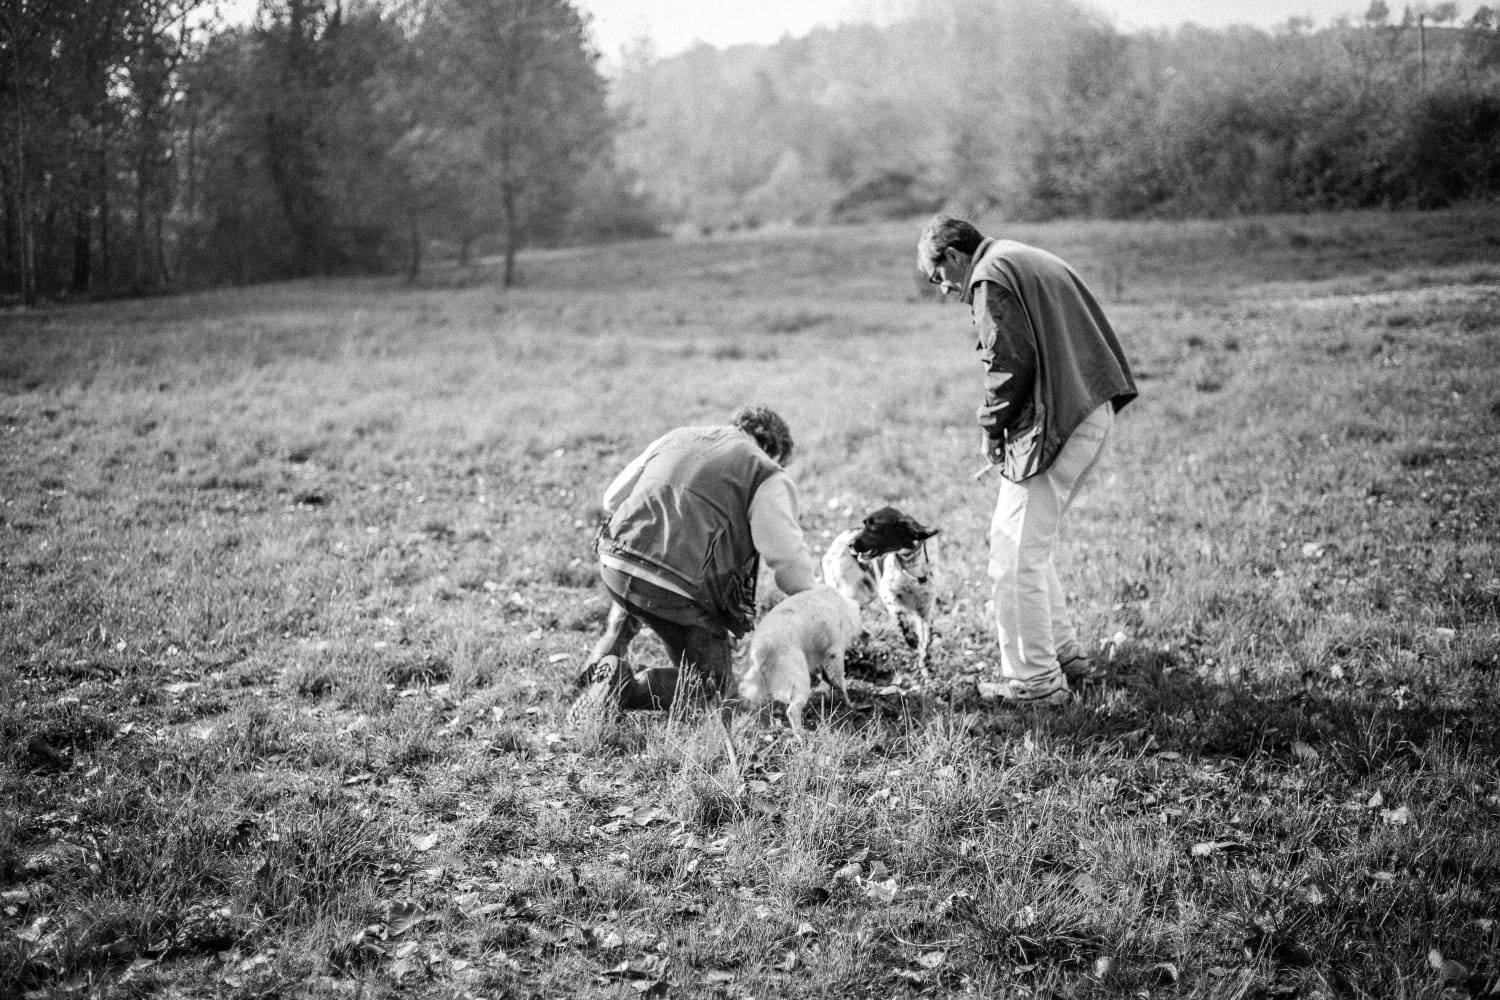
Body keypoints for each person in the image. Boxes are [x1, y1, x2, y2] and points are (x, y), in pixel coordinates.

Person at [916, 215, 1138, 705]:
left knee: (1011, 558)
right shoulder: (1021, 255)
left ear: (953, 255)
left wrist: (990, 426)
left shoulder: (989, 275)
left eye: (939, 278)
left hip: (1060, 418)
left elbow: (1009, 362)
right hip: (1089, 408)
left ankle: (1035, 684)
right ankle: (1063, 656)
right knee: (1026, 547)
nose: (944, 290)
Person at [569, 405, 817, 719]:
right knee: (716, 687)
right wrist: (813, 599)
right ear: (773, 448)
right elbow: (787, 559)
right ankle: (625, 688)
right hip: (677, 591)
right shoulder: (765, 472)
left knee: (643, 574)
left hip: (615, 563)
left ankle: (601, 660)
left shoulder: (678, 436)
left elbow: (612, 500)